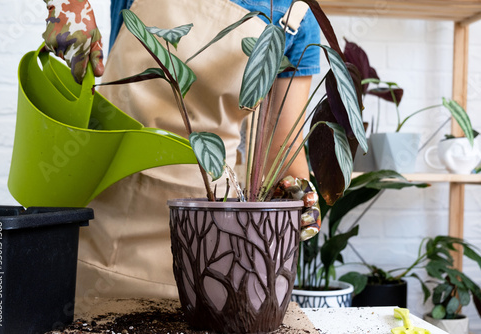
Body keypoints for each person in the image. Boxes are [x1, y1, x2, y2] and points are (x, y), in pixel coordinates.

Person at [42, 0, 321, 305]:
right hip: (114, 213)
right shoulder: (291, 13)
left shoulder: (296, 15)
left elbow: (281, 147)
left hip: (207, 236)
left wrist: (300, 198)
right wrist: (67, 4)